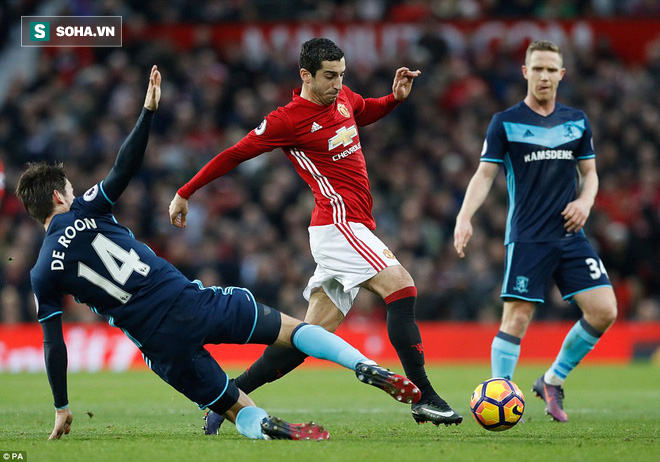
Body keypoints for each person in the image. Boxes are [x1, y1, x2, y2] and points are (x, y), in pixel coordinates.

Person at [16, 66, 422, 442]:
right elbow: (125, 167)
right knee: (294, 331)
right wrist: (148, 113)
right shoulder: (87, 209)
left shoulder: (41, 272)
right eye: (69, 188)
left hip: (157, 342)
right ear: (59, 196)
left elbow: (55, 345)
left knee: (231, 406)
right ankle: (362, 365)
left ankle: (263, 424)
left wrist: (61, 406)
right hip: (190, 302)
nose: (74, 191)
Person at [169, 37, 463, 429]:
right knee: (402, 286)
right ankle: (424, 397)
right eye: (329, 77)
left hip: (349, 226)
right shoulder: (287, 120)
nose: (338, 84)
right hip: (339, 224)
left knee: (306, 337)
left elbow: (364, 110)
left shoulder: (343, 99)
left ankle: (226, 398)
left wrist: (393, 99)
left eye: (341, 75)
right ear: (305, 75)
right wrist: (185, 192)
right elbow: (234, 153)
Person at [453, 40, 617, 422]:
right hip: (528, 236)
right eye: (537, 68)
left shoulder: (576, 121)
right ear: (526, 72)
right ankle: (500, 398)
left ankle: (551, 380)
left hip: (570, 234)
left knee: (604, 310)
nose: (544, 76)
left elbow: (590, 174)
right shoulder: (505, 122)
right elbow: (485, 174)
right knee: (516, 318)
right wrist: (465, 217)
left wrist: (585, 203)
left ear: (561, 74)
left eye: (551, 69)